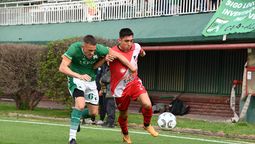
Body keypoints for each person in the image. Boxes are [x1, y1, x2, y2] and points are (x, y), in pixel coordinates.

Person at [59, 34, 137, 144]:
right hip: (76, 79)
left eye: (94, 50)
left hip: (91, 81)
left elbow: (118, 55)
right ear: (83, 46)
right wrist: (79, 76)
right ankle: (72, 138)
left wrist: (131, 67)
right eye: (89, 50)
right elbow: (62, 68)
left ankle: (76, 118)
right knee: (80, 105)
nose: (92, 53)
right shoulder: (74, 48)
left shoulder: (100, 49)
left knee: (94, 113)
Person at [110, 28, 159, 143]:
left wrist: (142, 53)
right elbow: (105, 59)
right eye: (126, 41)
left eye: (131, 40)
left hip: (134, 82)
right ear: (119, 40)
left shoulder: (136, 47)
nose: (129, 44)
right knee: (124, 114)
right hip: (120, 88)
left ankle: (147, 125)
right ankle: (125, 134)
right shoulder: (112, 52)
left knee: (147, 104)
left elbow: (141, 52)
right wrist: (107, 59)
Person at [100, 63, 116, 128]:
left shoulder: (114, 67)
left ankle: (111, 122)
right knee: (106, 105)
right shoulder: (105, 66)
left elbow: (104, 79)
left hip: (112, 88)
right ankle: (108, 121)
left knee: (110, 105)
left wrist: (102, 79)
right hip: (105, 88)